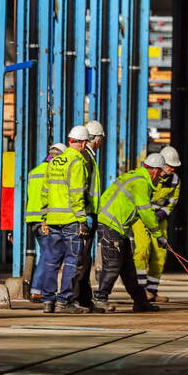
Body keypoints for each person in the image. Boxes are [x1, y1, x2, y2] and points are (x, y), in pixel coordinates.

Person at [93, 153, 169, 313]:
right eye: (161, 173)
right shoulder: (141, 183)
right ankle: (100, 299)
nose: (161, 177)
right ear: (154, 171)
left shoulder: (136, 178)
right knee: (113, 265)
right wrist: (158, 235)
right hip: (110, 225)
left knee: (128, 268)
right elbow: (146, 212)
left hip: (117, 226)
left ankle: (140, 302)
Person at [39, 126, 93, 314]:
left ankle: (48, 301)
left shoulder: (54, 162)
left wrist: (45, 216)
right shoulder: (76, 162)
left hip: (53, 219)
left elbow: (44, 192)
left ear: (70, 140)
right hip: (70, 219)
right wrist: (82, 219)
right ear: (84, 143)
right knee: (72, 261)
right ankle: (64, 301)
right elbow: (76, 193)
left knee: (51, 261)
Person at [132, 145, 181, 302]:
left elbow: (172, 201)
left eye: (174, 167)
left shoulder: (175, 180)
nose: (172, 169)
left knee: (160, 253)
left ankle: (152, 291)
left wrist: (162, 214)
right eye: (169, 166)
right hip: (141, 218)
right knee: (142, 250)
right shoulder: (149, 177)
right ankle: (140, 291)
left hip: (160, 220)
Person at [25, 142, 67, 302]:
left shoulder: (34, 171)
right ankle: (37, 290)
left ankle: (38, 289)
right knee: (48, 255)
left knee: (46, 253)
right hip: (45, 218)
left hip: (32, 218)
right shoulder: (53, 172)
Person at [74, 120, 106, 307]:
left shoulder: (88, 157)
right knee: (81, 258)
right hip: (86, 213)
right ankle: (76, 297)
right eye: (101, 138)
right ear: (96, 139)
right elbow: (82, 188)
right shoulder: (86, 157)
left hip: (88, 213)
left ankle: (84, 298)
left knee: (85, 258)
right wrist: (84, 216)